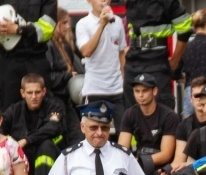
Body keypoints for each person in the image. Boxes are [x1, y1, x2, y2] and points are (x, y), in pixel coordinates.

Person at [1, 74, 68, 175]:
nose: (33, 96)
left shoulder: (54, 107)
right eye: (29, 92)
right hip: (23, 161)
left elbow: (52, 128)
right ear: (22, 93)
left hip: (50, 160)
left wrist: (26, 140)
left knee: (46, 145)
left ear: (44, 91)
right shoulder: (15, 110)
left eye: (37, 92)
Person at [117, 73, 180, 175]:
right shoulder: (130, 114)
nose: (140, 95)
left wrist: (139, 162)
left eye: (144, 91)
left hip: (161, 167)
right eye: (137, 91)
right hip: (138, 162)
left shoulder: (169, 116)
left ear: (154, 91)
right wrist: (133, 163)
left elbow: (166, 154)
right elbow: (122, 150)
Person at [123, 0, 192, 110]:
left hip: (157, 63)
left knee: (162, 112)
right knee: (130, 113)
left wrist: (175, 61)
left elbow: (185, 30)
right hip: (133, 63)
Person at [76, 0, 128, 134]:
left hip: (117, 89)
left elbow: (121, 53)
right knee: (96, 134)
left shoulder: (118, 22)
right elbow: (86, 51)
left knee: (124, 132)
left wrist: (124, 79)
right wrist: (102, 24)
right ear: (89, 1)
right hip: (95, 89)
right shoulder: (83, 23)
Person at [0, 1, 57, 110]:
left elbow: (48, 27)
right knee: (9, 111)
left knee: (42, 109)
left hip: (36, 59)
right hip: (8, 61)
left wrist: (19, 29)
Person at [46, 7, 84, 146]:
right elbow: (47, 77)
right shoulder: (48, 46)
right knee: (63, 138)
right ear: (55, 24)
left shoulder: (64, 45)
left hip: (66, 98)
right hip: (55, 100)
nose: (68, 27)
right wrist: (67, 76)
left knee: (76, 136)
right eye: (64, 23)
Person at [172, 76, 206, 168]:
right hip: (190, 172)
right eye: (195, 96)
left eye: (202, 95)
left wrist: (190, 164)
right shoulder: (184, 126)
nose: (199, 99)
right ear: (190, 99)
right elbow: (179, 160)